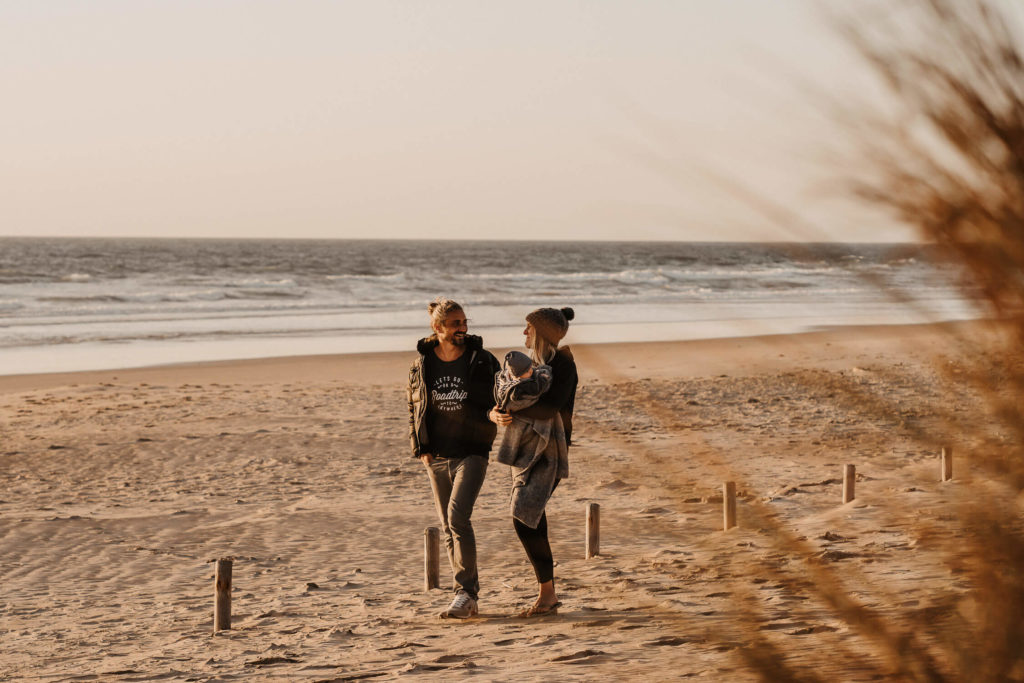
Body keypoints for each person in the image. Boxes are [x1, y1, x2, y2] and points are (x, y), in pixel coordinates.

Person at [407, 297, 500, 619]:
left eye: (464, 322)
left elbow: (500, 396)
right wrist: (420, 448)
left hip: (472, 451)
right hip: (437, 456)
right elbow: (414, 406)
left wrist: (496, 415)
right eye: (455, 323)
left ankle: (466, 592)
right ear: (437, 327)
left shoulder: (482, 359)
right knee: (448, 526)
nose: (463, 328)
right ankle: (465, 596)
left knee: (458, 518)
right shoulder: (422, 364)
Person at [490, 307, 578, 617]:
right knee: (531, 516)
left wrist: (509, 408)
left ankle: (548, 593)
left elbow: (548, 408)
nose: (524, 333)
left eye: (529, 328)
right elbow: (502, 397)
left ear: (542, 332)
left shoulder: (563, 364)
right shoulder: (531, 367)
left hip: (550, 451)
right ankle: (547, 594)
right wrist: (495, 413)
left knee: (524, 515)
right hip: (524, 449)